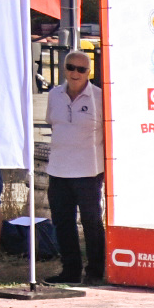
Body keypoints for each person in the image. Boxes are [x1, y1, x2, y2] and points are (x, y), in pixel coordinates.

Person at [46, 48, 107, 285]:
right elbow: (53, 124)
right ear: (64, 69)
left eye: (81, 69)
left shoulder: (100, 97)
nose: (75, 73)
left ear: (89, 72)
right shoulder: (54, 95)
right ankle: (70, 271)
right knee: (63, 223)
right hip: (58, 170)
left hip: (89, 171)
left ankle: (95, 271)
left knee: (92, 223)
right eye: (71, 67)